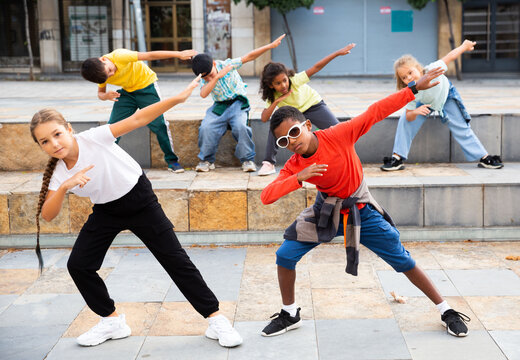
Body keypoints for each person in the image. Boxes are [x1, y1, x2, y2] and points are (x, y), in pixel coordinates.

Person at [30, 76, 242, 348]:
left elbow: (137, 120)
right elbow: (47, 214)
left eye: (57, 134)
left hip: (139, 199)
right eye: (45, 141)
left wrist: (177, 99)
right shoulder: (59, 173)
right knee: (79, 265)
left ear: (69, 129)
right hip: (106, 210)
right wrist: (64, 188)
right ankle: (112, 320)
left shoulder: (93, 138)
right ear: (41, 147)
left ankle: (215, 318)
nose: (54, 144)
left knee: (175, 260)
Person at [260, 69, 472, 338]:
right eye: (283, 140)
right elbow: (266, 196)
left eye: (293, 132)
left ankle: (446, 310)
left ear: (307, 125)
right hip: (325, 211)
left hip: (361, 211)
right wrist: (297, 179)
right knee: (284, 255)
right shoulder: (294, 165)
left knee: (402, 260)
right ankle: (290, 313)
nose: (291, 142)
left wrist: (413, 90)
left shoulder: (339, 135)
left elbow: (375, 111)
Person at [381, 40, 503, 171]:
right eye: (404, 77)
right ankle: (397, 157)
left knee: (460, 125)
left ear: (418, 67)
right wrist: (416, 112)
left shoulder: (433, 69)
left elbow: (450, 56)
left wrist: (464, 47)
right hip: (425, 104)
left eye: (410, 73)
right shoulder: (411, 91)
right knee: (404, 120)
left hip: (446, 97)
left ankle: (484, 157)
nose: (409, 78)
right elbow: (409, 117)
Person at [81, 48, 197, 173]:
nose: (111, 74)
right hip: (127, 92)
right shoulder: (101, 74)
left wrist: (179, 54)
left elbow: (150, 55)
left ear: (103, 59)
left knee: (159, 125)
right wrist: (106, 96)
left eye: (109, 70)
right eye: (108, 76)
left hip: (147, 87)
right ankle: (104, 162)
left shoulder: (120, 56)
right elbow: (100, 94)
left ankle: (172, 161)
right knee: (113, 128)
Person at [190, 34, 286, 173]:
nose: (209, 78)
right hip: (219, 106)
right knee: (206, 127)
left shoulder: (228, 64)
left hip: (238, 104)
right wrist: (216, 77)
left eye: (210, 74)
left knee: (241, 127)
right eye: (206, 77)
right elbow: (203, 94)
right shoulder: (207, 79)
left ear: (214, 64)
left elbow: (250, 56)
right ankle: (206, 160)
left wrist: (270, 46)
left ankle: (247, 159)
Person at [257, 43, 356, 176]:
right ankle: (268, 163)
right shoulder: (273, 96)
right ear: (270, 85)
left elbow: (316, 67)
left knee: (339, 131)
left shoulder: (295, 80)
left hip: (313, 105)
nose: (284, 85)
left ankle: (345, 156)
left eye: (285, 80)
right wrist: (278, 100)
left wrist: (337, 53)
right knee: (274, 126)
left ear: (288, 76)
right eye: (278, 83)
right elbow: (264, 118)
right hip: (294, 116)